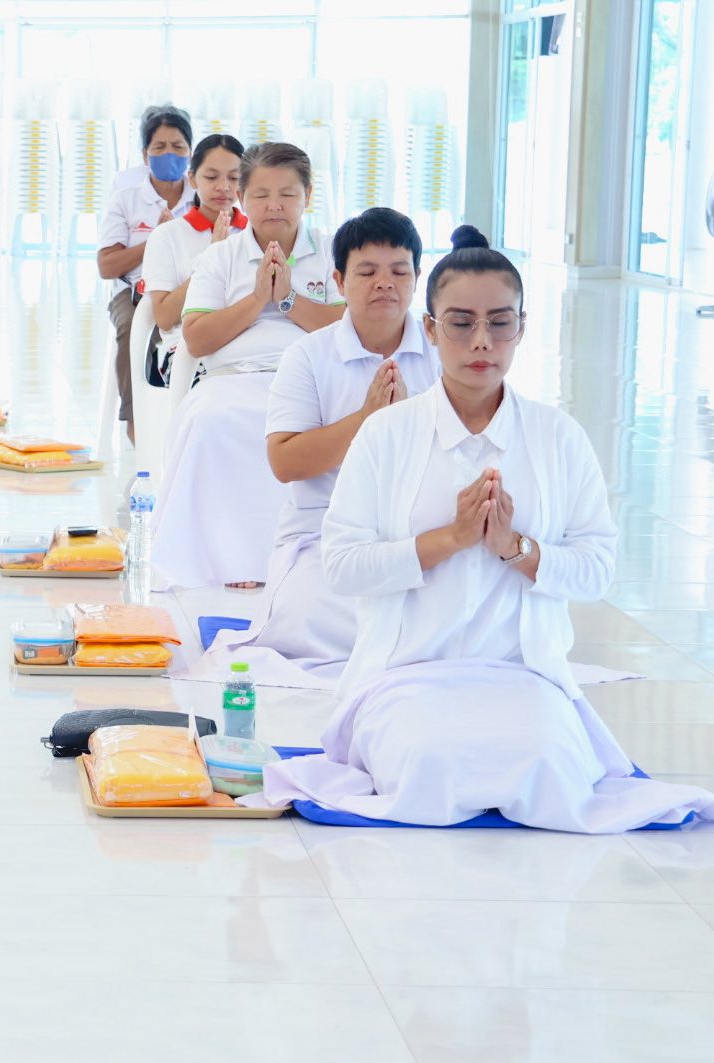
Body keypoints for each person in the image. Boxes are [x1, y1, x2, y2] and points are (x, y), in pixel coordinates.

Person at [247, 226, 714, 832]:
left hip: (522, 674)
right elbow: (342, 563)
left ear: (523, 326)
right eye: (461, 323)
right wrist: (451, 539)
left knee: (548, 768)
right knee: (428, 766)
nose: (482, 342)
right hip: (407, 674)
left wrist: (515, 549)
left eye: (500, 322)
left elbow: (597, 568)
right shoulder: (386, 433)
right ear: (432, 329)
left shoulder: (557, 437)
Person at [205, 208, 440, 676]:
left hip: (422, 531)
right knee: (316, 614)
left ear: (417, 277)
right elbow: (285, 461)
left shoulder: (441, 352)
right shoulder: (309, 355)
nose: (384, 284)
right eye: (367, 272)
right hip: (327, 534)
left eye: (399, 271)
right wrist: (367, 420)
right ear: (339, 279)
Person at [152, 141, 345, 589]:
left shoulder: (335, 250)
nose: (274, 206)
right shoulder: (221, 257)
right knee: (214, 421)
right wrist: (258, 299)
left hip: (312, 378)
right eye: (260, 195)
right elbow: (196, 337)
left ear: (308, 196)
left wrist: (289, 299)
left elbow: (348, 325)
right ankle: (234, 560)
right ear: (242, 198)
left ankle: (313, 557)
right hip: (235, 378)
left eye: (287, 194)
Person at [97, 105, 192, 440]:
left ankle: (192, 422)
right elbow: (107, 266)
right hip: (135, 291)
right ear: (145, 154)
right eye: (160, 147)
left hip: (189, 290)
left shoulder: (202, 199)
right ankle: (139, 426)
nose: (169, 154)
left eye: (178, 147)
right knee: (133, 328)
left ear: (190, 152)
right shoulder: (126, 200)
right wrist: (158, 239)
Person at [140, 134, 247, 383]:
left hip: (248, 346)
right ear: (192, 179)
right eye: (211, 177)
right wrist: (212, 256)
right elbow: (165, 317)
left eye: (234, 178)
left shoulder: (255, 232)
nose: (224, 187)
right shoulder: (167, 236)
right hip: (187, 353)